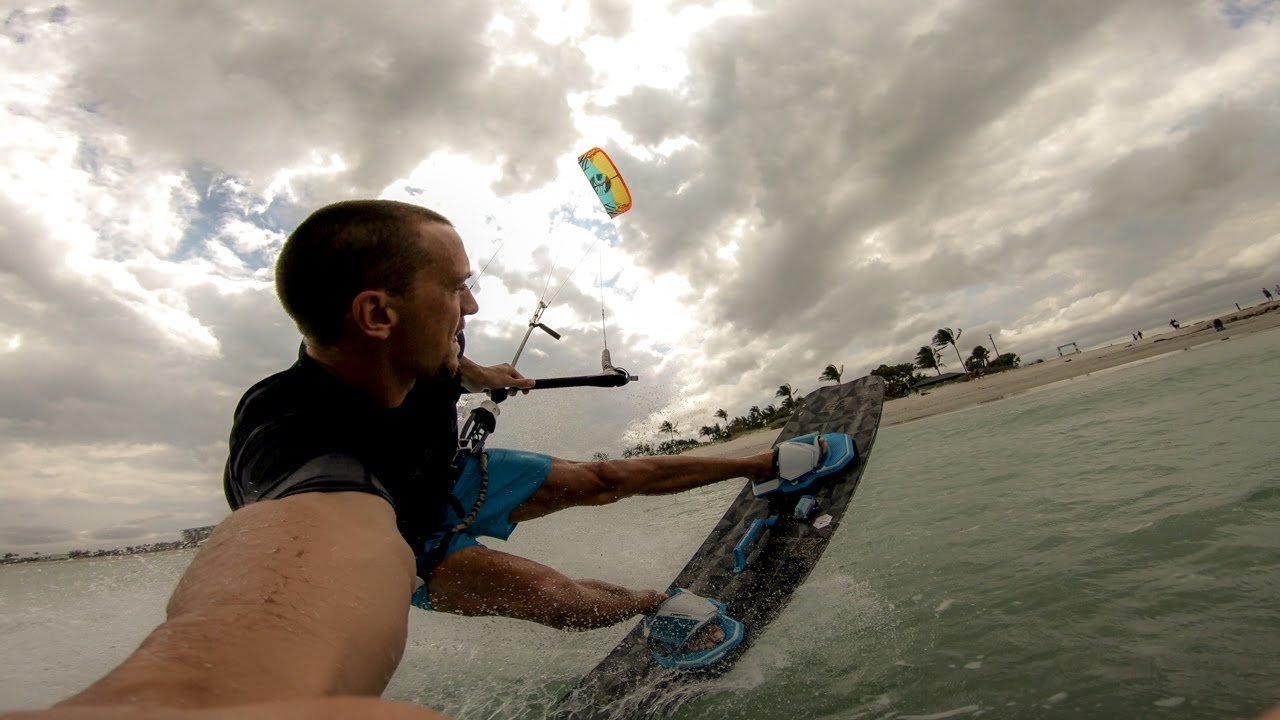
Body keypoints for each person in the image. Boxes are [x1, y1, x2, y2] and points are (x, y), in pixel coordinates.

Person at [6, 200, 845, 719]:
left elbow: (463, 362)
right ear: (378, 313)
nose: (472, 305)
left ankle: (767, 463)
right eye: (456, 288)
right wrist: (201, 700)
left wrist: (483, 372)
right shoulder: (293, 438)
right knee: (557, 600)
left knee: (602, 478)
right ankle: (655, 606)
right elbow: (295, 550)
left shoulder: (419, 355)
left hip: (454, 478)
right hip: (414, 546)